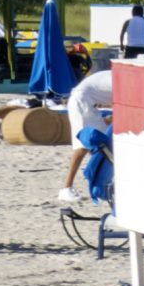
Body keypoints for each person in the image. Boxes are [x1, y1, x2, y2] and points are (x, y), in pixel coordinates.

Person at [56, 64, 115, 204]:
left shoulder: (117, 76)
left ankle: (105, 181)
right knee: (83, 145)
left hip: (88, 104)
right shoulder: (123, 80)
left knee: (104, 143)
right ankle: (66, 188)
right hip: (81, 103)